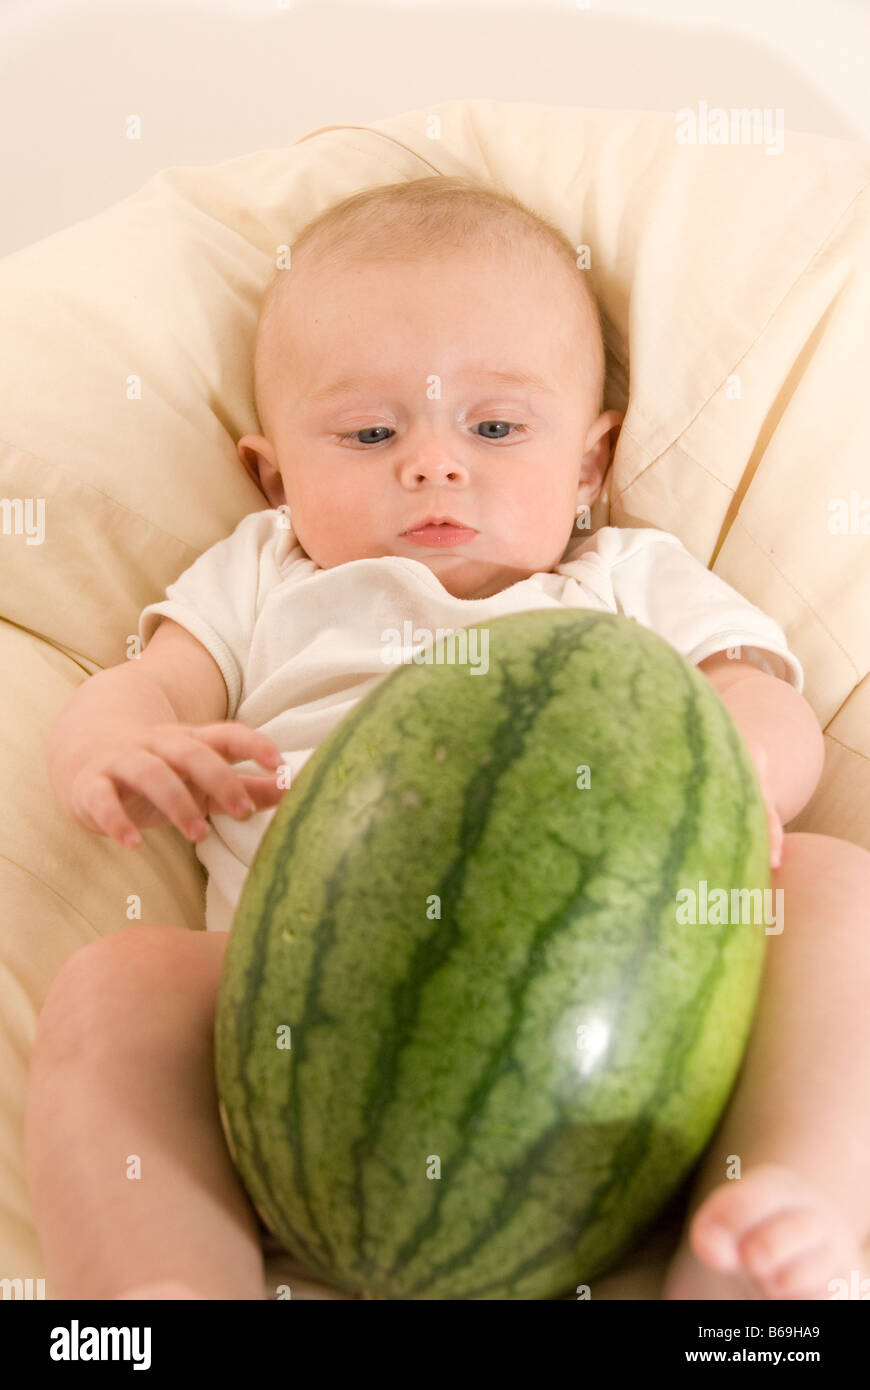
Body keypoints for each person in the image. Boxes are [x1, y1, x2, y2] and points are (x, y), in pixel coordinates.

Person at [27, 177, 870, 1301]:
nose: (434, 461)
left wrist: (732, 779)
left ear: (586, 466)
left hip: (627, 999)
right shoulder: (266, 579)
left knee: (831, 889)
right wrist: (112, 750)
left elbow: (761, 698)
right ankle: (164, 1287)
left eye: (495, 426)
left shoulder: (624, 580)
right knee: (116, 984)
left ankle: (775, 1213)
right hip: (297, 1007)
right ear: (273, 478)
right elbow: (140, 687)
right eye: (371, 431)